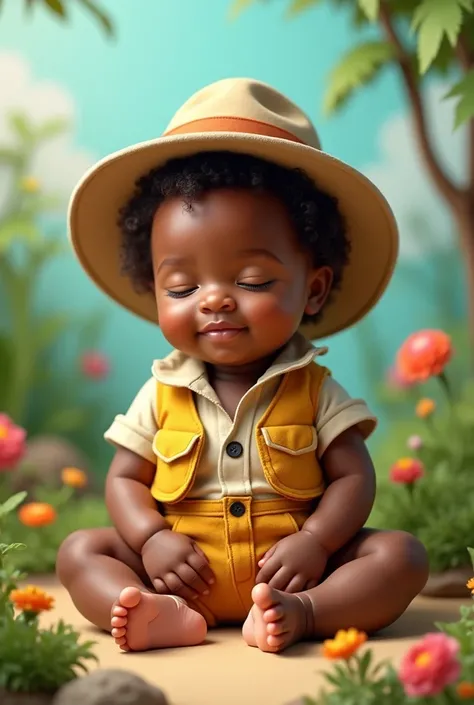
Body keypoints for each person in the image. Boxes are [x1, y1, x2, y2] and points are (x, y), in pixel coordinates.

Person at [57, 77, 429, 654]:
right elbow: (125, 478)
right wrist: (151, 538)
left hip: (292, 573)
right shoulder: (160, 393)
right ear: (151, 287)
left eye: (252, 281)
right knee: (81, 551)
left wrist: (316, 540)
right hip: (178, 573)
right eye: (181, 287)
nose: (213, 300)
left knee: (400, 555)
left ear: (314, 288)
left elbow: (354, 477)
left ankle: (302, 615)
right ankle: (159, 614)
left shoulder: (313, 390)